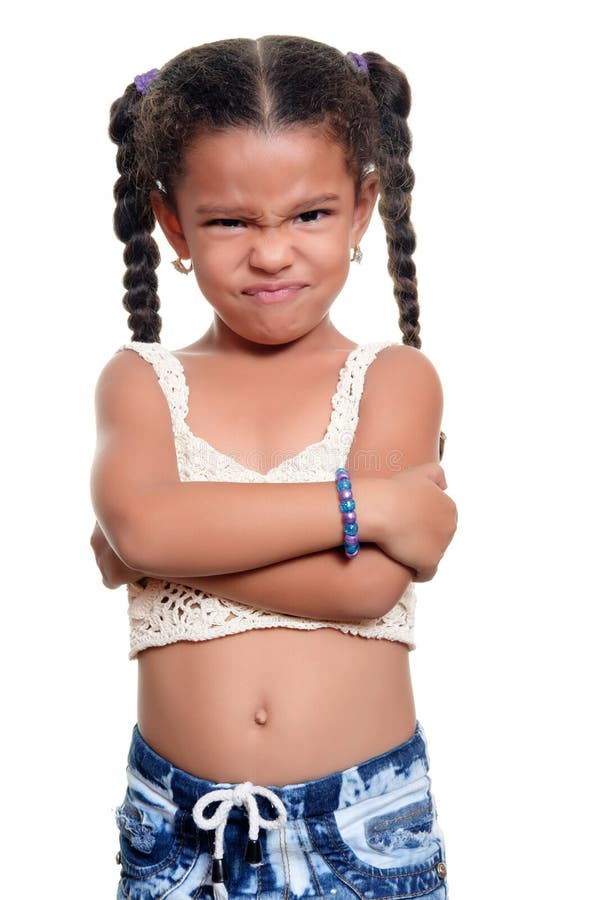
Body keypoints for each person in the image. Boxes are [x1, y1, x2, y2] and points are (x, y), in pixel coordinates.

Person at [89, 34, 458, 900]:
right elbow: (142, 523)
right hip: (179, 830)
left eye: (310, 214)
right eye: (229, 220)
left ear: (363, 208)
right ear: (173, 221)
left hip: (363, 826)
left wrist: (166, 554)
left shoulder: (394, 379)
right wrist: (371, 504)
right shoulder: (142, 381)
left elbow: (365, 588)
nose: (271, 252)